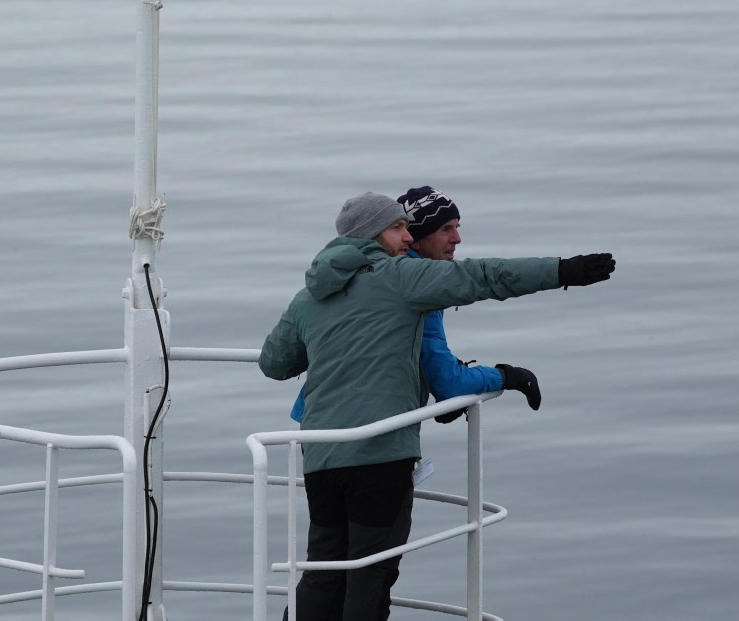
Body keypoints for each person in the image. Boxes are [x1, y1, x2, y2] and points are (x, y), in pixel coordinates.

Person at [259, 192, 614, 621]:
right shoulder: (401, 277)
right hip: (379, 453)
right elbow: (482, 277)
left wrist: (329, 342)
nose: (408, 236)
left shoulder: (310, 295)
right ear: (372, 234)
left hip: (320, 454)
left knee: (323, 572)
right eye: (398, 228)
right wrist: (563, 271)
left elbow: (274, 363)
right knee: (371, 575)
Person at [289, 186, 537, 425]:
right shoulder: (413, 288)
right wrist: (507, 376)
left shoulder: (347, 275)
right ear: (414, 241)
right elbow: (450, 383)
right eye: (445, 229)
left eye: (457, 227)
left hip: (314, 420)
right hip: (366, 426)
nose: (457, 239)